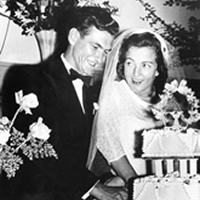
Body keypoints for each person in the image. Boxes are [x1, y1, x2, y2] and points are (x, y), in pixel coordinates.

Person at [0, 6, 128, 200]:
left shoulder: (93, 92)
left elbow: (85, 151)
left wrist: (107, 179)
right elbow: (40, 149)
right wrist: (97, 189)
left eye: (106, 51)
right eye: (95, 47)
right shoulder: (26, 78)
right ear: (74, 36)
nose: (100, 59)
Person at [87, 29, 172, 185]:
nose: (135, 73)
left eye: (145, 65)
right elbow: (108, 144)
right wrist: (137, 185)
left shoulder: (169, 101)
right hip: (126, 181)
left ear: (158, 70)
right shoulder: (114, 93)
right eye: (130, 63)